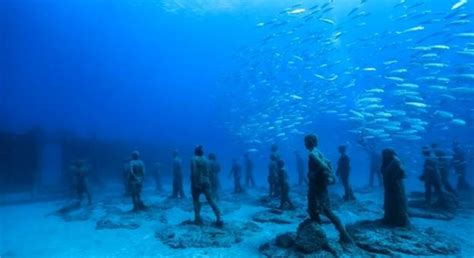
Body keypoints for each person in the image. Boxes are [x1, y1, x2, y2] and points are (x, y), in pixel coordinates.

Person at [304, 134, 353, 243]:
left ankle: (344, 235)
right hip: (321, 185)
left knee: (324, 210)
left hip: (316, 185)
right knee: (317, 209)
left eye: (306, 142)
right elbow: (329, 163)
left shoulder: (312, 154)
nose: (305, 144)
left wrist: (313, 174)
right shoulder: (318, 151)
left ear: (309, 143)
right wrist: (331, 177)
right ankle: (320, 233)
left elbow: (323, 166)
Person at [190, 145, 223, 226]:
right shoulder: (206, 160)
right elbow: (209, 172)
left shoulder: (193, 159)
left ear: (195, 152)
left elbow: (194, 171)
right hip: (207, 182)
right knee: (211, 200)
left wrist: (195, 182)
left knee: (196, 200)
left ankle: (197, 219)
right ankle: (219, 218)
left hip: (197, 182)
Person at [381, 148, 409, 227]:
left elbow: (402, 174)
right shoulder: (388, 161)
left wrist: (393, 180)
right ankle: (391, 219)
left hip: (395, 188)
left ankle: (399, 221)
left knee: (397, 203)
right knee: (390, 203)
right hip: (389, 188)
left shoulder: (396, 161)